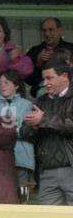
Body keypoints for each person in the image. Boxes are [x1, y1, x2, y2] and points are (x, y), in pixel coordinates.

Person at [22, 59, 73, 205]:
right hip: (46, 172)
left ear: (64, 76)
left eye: (49, 78)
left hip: (70, 169)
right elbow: (25, 133)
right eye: (44, 79)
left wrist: (43, 120)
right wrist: (33, 126)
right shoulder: (40, 101)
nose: (45, 83)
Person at [0, 70, 35, 198]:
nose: (2, 86)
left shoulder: (28, 105)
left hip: (22, 158)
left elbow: (29, 131)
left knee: (23, 198)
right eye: (0, 83)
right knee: (3, 196)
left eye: (6, 82)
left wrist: (4, 130)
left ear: (16, 85)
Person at [26, 18, 73, 97]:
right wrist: (38, 63)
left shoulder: (71, 49)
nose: (47, 34)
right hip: (43, 94)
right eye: (44, 30)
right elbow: (28, 80)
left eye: (51, 30)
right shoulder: (34, 51)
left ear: (60, 30)